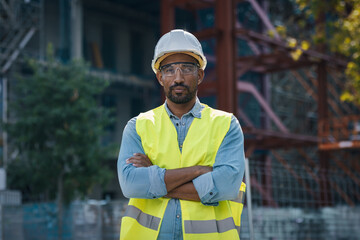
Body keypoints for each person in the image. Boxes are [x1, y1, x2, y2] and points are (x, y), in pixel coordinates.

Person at [117, 29, 245, 240]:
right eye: (169, 70)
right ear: (160, 77)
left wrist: (154, 179)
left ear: (200, 75)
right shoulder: (138, 126)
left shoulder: (226, 125)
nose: (178, 78)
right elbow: (131, 184)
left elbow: (225, 186)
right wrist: (198, 171)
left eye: (186, 68)